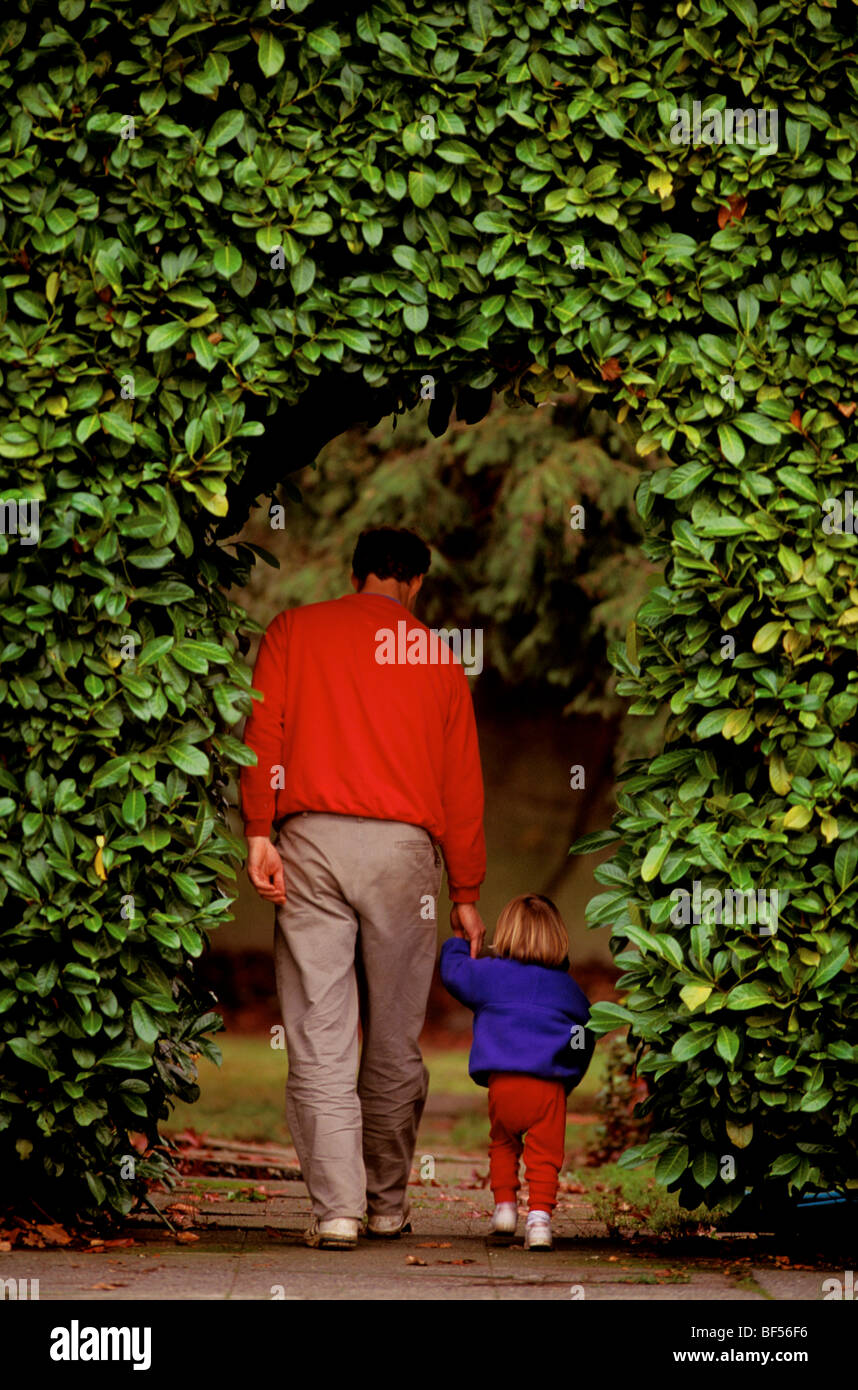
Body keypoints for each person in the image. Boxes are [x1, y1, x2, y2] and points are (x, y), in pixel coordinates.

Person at [241, 526, 487, 1249]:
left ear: (357, 575)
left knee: (319, 1032)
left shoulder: (294, 630)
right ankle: (385, 1205)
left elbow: (264, 729)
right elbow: (461, 786)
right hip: (405, 855)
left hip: (310, 840)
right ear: (416, 585)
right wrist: (466, 889)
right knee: (394, 1038)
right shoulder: (437, 656)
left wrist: (260, 828)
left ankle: (338, 1211)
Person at [440, 893, 594, 1251]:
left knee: (503, 1143)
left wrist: (458, 941)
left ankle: (505, 1209)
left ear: (506, 934)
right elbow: (586, 1031)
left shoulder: (491, 976)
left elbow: (454, 973)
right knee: (544, 1156)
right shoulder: (567, 989)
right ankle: (539, 1221)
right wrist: (570, 1073)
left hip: (503, 1085)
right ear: (559, 940)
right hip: (548, 1086)